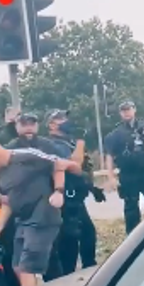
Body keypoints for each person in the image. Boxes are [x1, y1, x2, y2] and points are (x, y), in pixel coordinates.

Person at [0, 136, 82, 286]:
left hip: (43, 217)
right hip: (23, 220)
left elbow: (58, 164)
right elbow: (8, 202)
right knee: (17, 266)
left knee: (27, 269)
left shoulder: (27, 156)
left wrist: (59, 191)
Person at [43, 110, 98, 277]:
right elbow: (75, 165)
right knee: (69, 240)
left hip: (76, 197)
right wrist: (81, 141)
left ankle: (89, 271)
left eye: (65, 117)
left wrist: (91, 187)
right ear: (51, 125)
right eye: (60, 119)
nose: (65, 121)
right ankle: (68, 276)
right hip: (65, 198)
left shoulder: (68, 142)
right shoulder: (54, 145)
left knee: (88, 234)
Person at [103, 100, 144, 234]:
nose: (126, 113)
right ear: (120, 113)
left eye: (128, 109)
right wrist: (111, 177)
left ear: (134, 110)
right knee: (131, 207)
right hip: (128, 174)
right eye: (123, 110)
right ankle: (133, 236)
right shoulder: (116, 133)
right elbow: (109, 156)